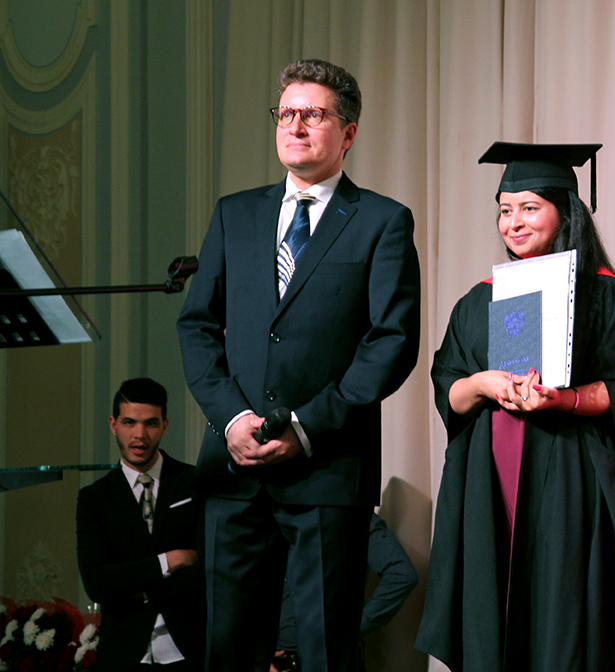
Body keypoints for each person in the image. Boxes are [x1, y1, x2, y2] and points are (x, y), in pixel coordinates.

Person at [176, 59, 421, 671]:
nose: (296, 126)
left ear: (349, 131)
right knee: (228, 646)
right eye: (287, 114)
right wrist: (232, 419)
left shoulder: (381, 221)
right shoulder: (236, 214)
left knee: (324, 649)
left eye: (313, 114)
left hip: (326, 467)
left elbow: (391, 342)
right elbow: (198, 326)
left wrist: (307, 427)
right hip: (235, 468)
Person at [417, 142, 615, 672]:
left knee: (564, 624)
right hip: (491, 486)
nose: (513, 223)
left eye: (529, 207)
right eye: (505, 211)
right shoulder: (478, 301)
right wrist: (485, 383)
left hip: (574, 485)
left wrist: (567, 399)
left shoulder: (608, 300)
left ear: (566, 211)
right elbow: (449, 391)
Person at [76, 378, 204, 672]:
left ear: (165, 425)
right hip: (123, 653)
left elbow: (208, 571)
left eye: (151, 424)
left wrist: (135, 591)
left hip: (190, 650)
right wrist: (169, 561)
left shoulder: (193, 483)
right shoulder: (94, 499)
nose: (140, 435)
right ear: (113, 424)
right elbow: (97, 583)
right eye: (129, 423)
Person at [271, 513, 419, 671]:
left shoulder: (352, 516)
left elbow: (402, 575)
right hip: (279, 660)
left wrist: (350, 630)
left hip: (331, 659)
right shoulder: (277, 516)